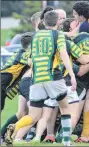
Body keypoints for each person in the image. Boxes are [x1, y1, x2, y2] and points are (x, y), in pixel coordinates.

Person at [5, 10, 76, 147]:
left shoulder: (35, 36)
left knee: (34, 115)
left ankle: (15, 126)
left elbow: (30, 61)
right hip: (53, 77)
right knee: (65, 108)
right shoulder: (58, 35)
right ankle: (67, 142)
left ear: (43, 22)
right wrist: (72, 74)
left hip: (36, 79)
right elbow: (63, 54)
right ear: (57, 23)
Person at [1, 32, 34, 142]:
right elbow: (31, 62)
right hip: (1, 84)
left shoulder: (20, 52)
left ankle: (3, 135)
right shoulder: (23, 53)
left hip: (3, 86)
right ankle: (2, 135)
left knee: (21, 113)